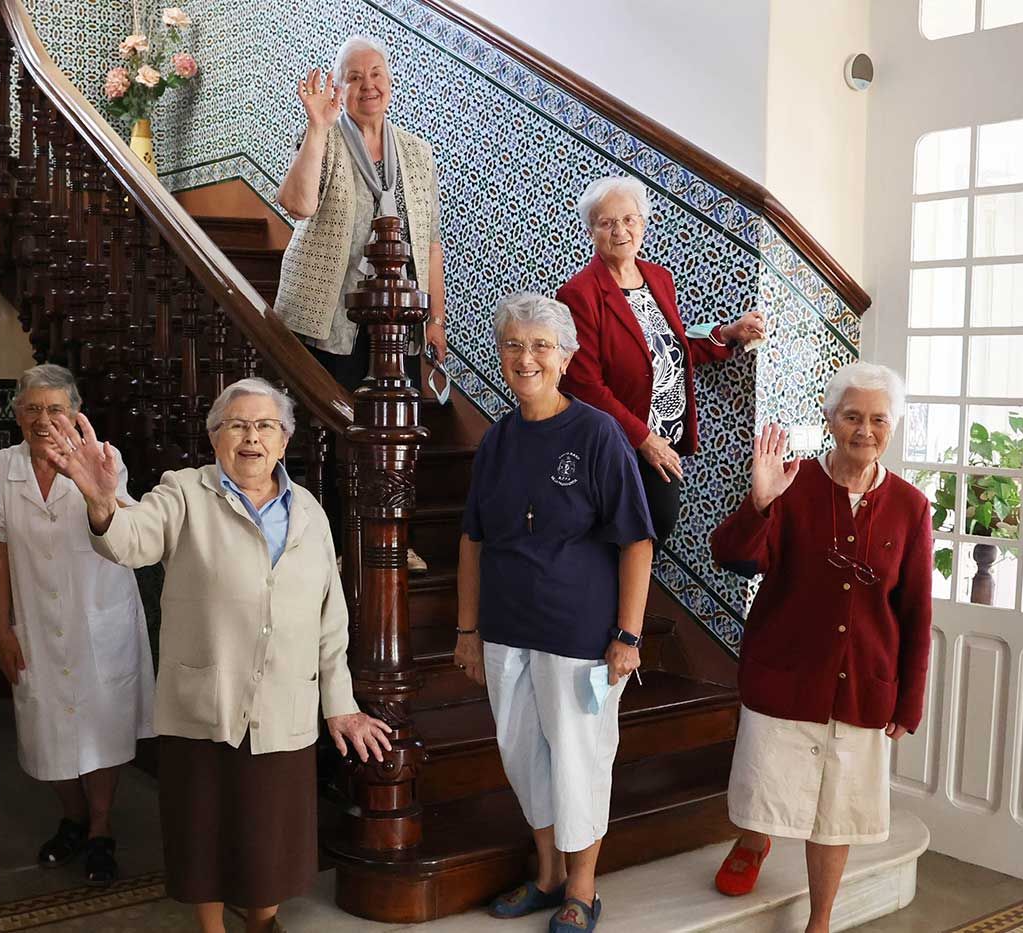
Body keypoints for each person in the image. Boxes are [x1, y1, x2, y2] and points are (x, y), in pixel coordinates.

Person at [41, 377, 391, 933]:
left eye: (265, 426)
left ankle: (262, 921)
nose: (251, 438)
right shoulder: (183, 492)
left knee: (268, 832)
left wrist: (340, 703)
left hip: (283, 704)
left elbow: (331, 619)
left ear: (284, 440)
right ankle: (212, 929)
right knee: (201, 831)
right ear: (215, 437)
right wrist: (102, 502)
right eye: (237, 425)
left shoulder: (311, 513)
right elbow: (133, 541)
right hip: (203, 702)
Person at [707, 361, 933, 933]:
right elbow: (733, 558)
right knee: (768, 783)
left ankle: (821, 921)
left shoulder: (910, 507)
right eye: (852, 416)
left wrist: (910, 699)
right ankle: (755, 838)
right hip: (785, 671)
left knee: (837, 813)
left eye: (878, 419)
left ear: (894, 426)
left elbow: (915, 611)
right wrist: (758, 504)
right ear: (830, 419)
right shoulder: (792, 481)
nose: (865, 430)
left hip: (863, 682)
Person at [454, 293, 655, 933]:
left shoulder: (598, 434)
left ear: (566, 359)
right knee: (522, 758)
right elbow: (472, 540)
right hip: (507, 631)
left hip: (578, 636)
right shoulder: (498, 441)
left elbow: (636, 541)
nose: (526, 357)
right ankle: (544, 875)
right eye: (514, 344)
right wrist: (466, 630)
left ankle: (583, 888)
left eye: (542, 346)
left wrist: (629, 634)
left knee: (578, 759)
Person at [273, 34, 445, 572]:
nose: (367, 86)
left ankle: (393, 539)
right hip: (330, 316)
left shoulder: (416, 152)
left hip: (399, 321)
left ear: (389, 83)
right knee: (340, 430)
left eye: (376, 75)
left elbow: (432, 242)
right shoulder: (325, 137)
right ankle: (342, 548)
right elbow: (297, 205)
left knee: (397, 431)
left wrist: (436, 319)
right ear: (340, 86)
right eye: (354, 76)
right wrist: (316, 127)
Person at [0, 363, 154, 886]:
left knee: (103, 726)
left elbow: (121, 522)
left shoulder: (104, 460)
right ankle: (73, 818)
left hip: (99, 618)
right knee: (46, 728)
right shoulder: (3, 467)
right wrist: (2, 628)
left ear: (75, 414)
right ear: (16, 415)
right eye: (31, 409)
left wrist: (93, 483)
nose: (43, 419)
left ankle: (100, 829)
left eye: (55, 409)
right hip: (34, 622)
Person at [557, 175, 767, 545]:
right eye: (607, 222)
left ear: (643, 224)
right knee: (624, 540)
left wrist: (728, 334)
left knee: (652, 534)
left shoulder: (659, 278)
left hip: (663, 442)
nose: (620, 230)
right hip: (618, 445)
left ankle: (626, 605)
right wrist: (644, 440)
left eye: (629, 219)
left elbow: (667, 349)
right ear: (592, 230)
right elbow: (584, 385)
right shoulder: (579, 293)